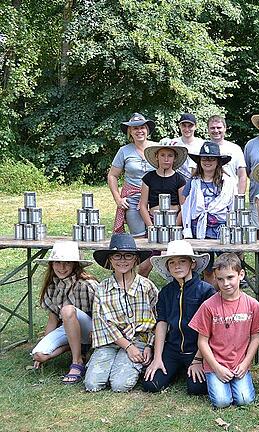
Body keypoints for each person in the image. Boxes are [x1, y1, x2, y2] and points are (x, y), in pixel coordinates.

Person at [189, 253, 259, 408]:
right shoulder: (208, 306)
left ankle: (235, 382)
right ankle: (215, 380)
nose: (225, 283)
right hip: (215, 364)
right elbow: (202, 341)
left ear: (241, 275)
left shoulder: (252, 305)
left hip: (239, 364)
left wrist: (246, 363)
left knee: (245, 400)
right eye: (220, 279)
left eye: (230, 277)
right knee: (221, 402)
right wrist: (216, 368)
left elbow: (255, 337)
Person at [84, 234, 157, 392]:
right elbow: (104, 324)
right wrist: (128, 347)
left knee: (120, 385)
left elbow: (157, 320)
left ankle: (131, 365)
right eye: (117, 255)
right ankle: (107, 361)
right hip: (110, 341)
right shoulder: (102, 289)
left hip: (139, 340)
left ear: (136, 260)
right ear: (110, 259)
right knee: (92, 384)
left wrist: (150, 346)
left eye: (128, 256)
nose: (122, 260)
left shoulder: (147, 286)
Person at [143, 240, 215, 395]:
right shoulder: (166, 292)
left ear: (192, 264)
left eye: (183, 261)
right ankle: (175, 369)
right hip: (173, 349)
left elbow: (210, 329)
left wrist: (197, 360)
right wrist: (157, 358)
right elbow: (161, 323)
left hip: (197, 349)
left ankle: (189, 368)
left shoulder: (206, 291)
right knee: (151, 384)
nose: (177, 266)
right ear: (168, 267)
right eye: (172, 262)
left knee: (197, 389)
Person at [30, 241, 98, 384]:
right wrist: (47, 344)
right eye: (57, 263)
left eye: (67, 263)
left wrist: (98, 331)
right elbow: (52, 320)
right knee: (39, 354)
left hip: (93, 327)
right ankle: (78, 348)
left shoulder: (86, 284)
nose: (61, 267)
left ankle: (77, 361)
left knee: (67, 310)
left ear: (75, 265)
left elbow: (103, 311)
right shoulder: (52, 287)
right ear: (51, 264)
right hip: (69, 327)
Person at [108, 113, 156, 237]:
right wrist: (118, 199)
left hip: (155, 198)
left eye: (142, 127)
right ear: (130, 132)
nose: (139, 131)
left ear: (147, 130)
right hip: (133, 199)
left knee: (158, 236)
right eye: (135, 128)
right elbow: (112, 176)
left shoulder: (157, 148)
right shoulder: (124, 151)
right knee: (138, 237)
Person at [181, 141, 236, 241]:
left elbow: (233, 205)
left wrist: (233, 226)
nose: (207, 162)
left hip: (221, 226)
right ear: (199, 161)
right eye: (204, 159)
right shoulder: (193, 182)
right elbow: (185, 206)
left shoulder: (227, 182)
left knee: (224, 255)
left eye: (211, 159)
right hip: (197, 225)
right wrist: (187, 228)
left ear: (218, 162)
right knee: (202, 255)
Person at [139, 142, 187, 228]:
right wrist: (151, 227)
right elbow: (143, 205)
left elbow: (184, 206)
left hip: (174, 220)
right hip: (154, 219)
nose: (166, 159)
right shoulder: (148, 178)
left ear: (175, 158)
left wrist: (175, 225)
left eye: (170, 155)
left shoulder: (180, 179)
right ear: (156, 156)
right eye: (162, 155)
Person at [206, 115, 247, 195]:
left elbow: (242, 176)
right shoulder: (202, 148)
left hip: (230, 195)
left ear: (225, 129)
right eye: (212, 128)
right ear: (208, 130)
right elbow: (195, 174)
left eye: (219, 127)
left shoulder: (235, 149)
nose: (216, 130)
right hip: (207, 196)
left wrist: (240, 198)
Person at [172, 113, 205, 181]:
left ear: (195, 126)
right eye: (184, 126)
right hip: (176, 182)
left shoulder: (202, 144)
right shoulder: (172, 143)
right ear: (179, 126)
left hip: (197, 181)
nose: (187, 129)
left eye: (190, 126)